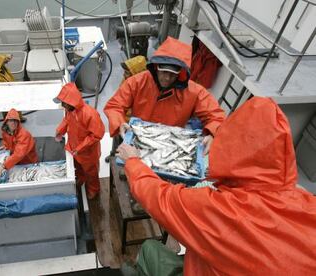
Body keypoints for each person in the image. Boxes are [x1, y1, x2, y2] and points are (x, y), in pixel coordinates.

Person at [116, 97, 316, 275]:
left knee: (151, 248)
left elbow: (159, 198)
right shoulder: (307, 202)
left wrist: (133, 161)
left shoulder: (220, 209)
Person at [104, 37, 225, 155]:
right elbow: (114, 106)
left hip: (170, 145)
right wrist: (119, 123)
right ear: (156, 67)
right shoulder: (137, 82)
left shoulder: (195, 92)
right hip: (138, 138)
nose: (167, 78)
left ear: (181, 73)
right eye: (164, 72)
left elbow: (216, 116)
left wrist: (212, 133)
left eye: (172, 74)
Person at [54, 83, 105, 200]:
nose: (62, 105)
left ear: (70, 102)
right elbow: (66, 120)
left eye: (63, 102)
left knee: (91, 173)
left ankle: (94, 190)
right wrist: (59, 131)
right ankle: (81, 179)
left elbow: (97, 134)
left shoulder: (90, 114)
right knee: (78, 168)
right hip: (74, 148)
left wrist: (80, 148)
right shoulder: (69, 110)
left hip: (88, 153)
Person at [0, 108, 38, 180]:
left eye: (16, 121)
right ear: (6, 122)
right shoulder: (5, 132)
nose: (13, 123)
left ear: (18, 122)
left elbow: (19, 154)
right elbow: (8, 143)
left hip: (28, 162)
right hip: (14, 162)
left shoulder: (24, 134)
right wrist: (5, 147)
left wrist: (2, 167)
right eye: (11, 120)